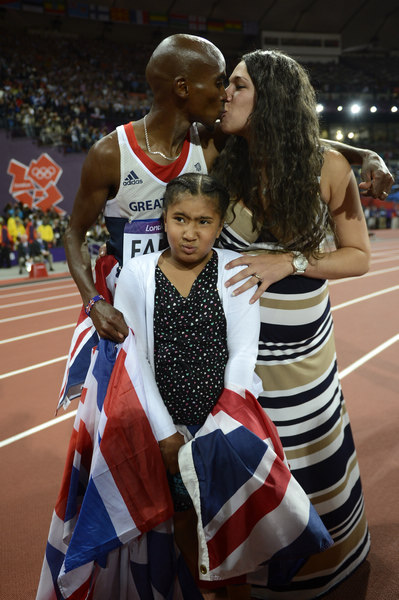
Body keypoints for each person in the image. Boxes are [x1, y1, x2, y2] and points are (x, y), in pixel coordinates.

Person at [38, 173, 333, 600]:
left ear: (220, 222)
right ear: (163, 217)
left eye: (203, 222)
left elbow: (243, 354)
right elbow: (135, 361)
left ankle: (237, 591)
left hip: (224, 424)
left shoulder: (236, 268)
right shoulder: (138, 273)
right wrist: (166, 436)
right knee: (180, 519)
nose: (190, 233)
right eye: (179, 219)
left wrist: (219, 427)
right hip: (166, 427)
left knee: (232, 517)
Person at [62, 33, 393, 352]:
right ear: (183, 87)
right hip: (128, 312)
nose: (224, 94)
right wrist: (93, 302)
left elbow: (291, 138)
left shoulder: (210, 143)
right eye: (220, 82)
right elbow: (75, 232)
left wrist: (366, 155)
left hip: (190, 314)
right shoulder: (112, 154)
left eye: (233, 85)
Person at [210, 49, 372, 599]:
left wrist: (292, 260)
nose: (224, 94)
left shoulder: (327, 169)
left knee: (318, 485)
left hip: (306, 377)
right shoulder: (220, 157)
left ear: (272, 100)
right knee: (252, 496)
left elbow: (358, 257)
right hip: (240, 376)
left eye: (237, 86)